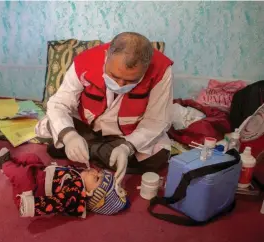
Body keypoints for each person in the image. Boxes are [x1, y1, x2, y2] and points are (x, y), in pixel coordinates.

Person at [35, 32, 174, 190]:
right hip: (86, 126)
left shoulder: (162, 70)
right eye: (114, 76)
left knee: (157, 158)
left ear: (146, 68)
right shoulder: (85, 60)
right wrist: (69, 136)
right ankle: (94, 150)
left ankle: (91, 151)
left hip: (126, 134)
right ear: (106, 55)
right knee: (54, 132)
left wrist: (127, 147)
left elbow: (156, 120)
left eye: (131, 81)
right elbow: (59, 103)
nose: (121, 85)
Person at [0, 147, 130, 218]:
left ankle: (6, 165)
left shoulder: (75, 195)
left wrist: (29, 206)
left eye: (96, 178)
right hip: (41, 173)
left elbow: (55, 203)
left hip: (31, 190)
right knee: (32, 157)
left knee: (23, 176)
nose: (95, 172)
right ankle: (10, 167)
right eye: (99, 172)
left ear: (89, 193)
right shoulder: (80, 176)